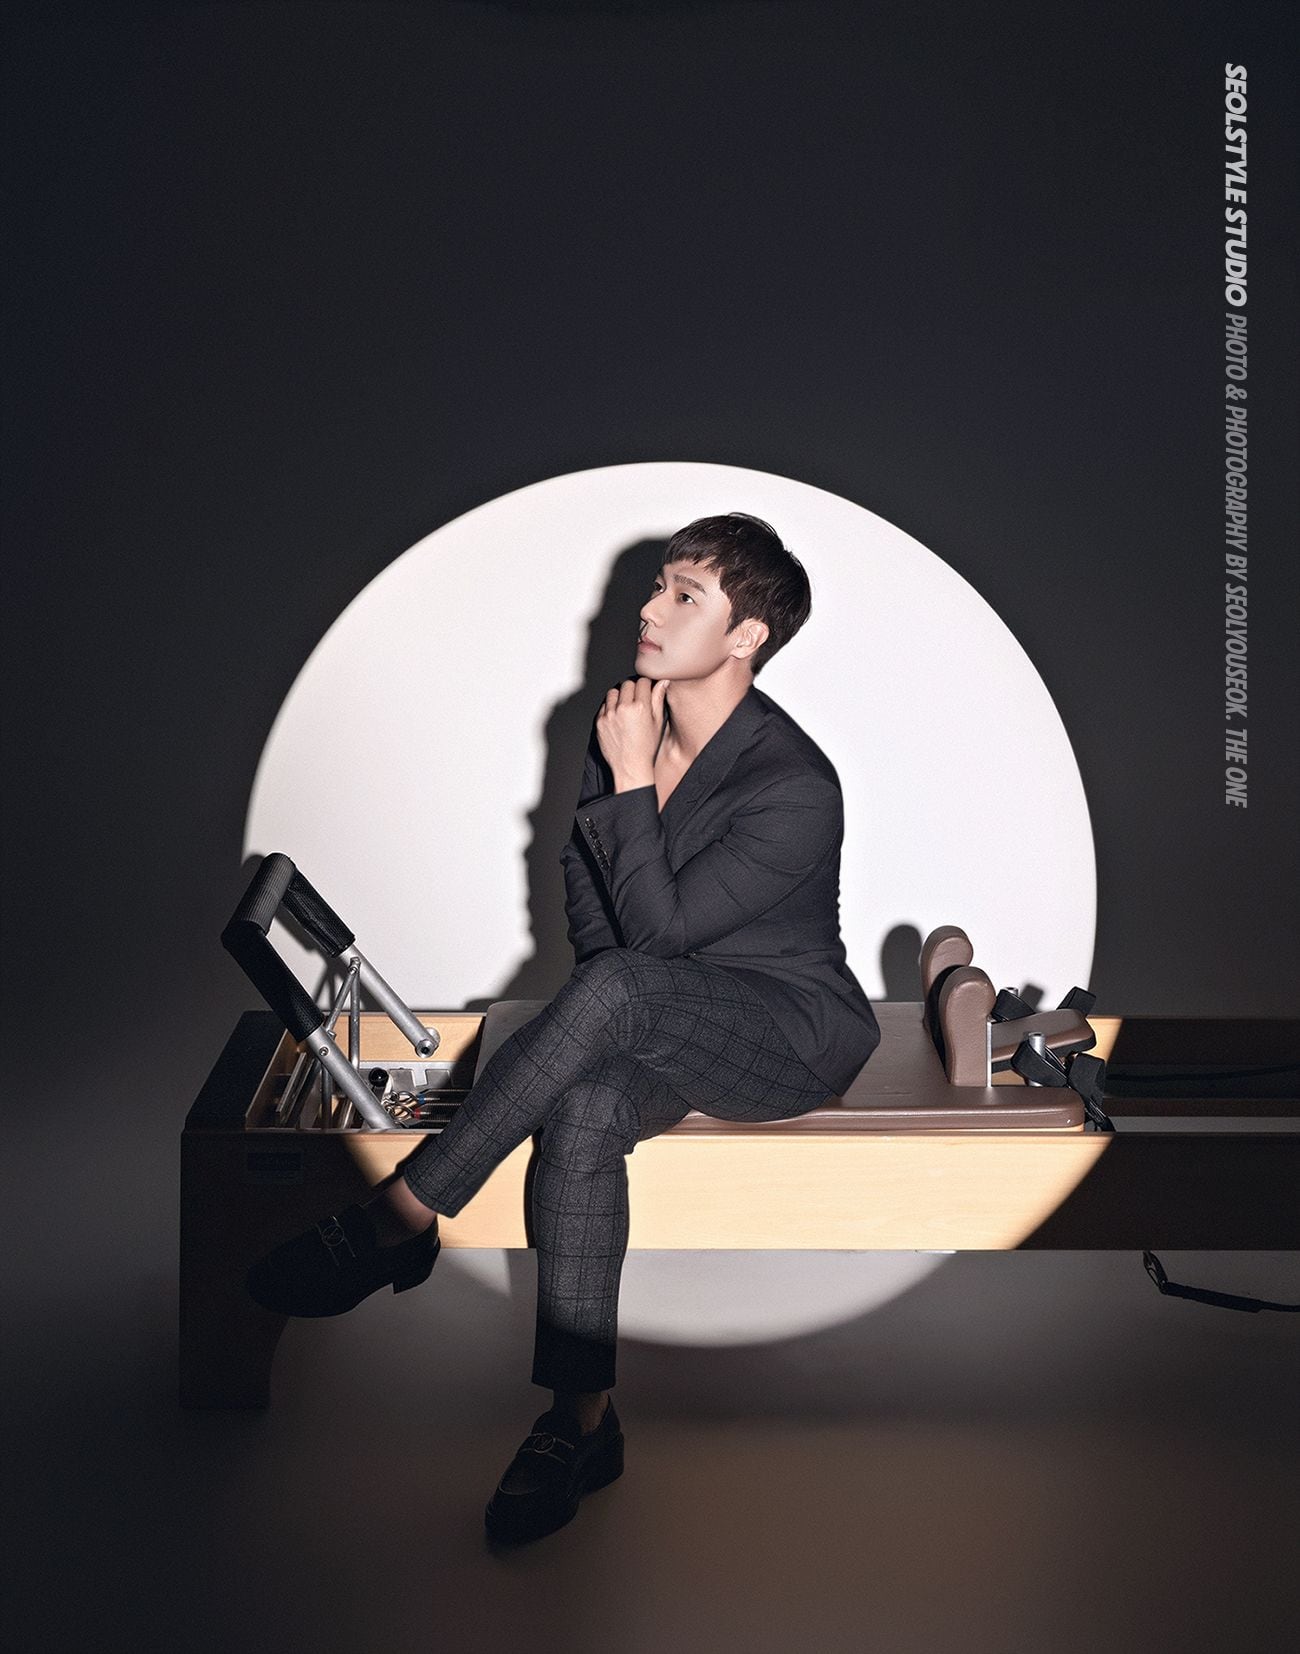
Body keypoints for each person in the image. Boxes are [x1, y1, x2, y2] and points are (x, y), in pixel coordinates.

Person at [246, 512, 881, 1543]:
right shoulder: (622, 724)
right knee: (582, 1112)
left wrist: (631, 781)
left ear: (746, 635)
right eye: (658, 585)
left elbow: (651, 941)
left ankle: (403, 1213)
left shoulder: (793, 786)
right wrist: (625, 777)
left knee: (625, 984)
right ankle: (580, 1422)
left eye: (685, 595)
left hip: (784, 1033)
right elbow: (594, 922)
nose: (650, 609)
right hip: (654, 1012)